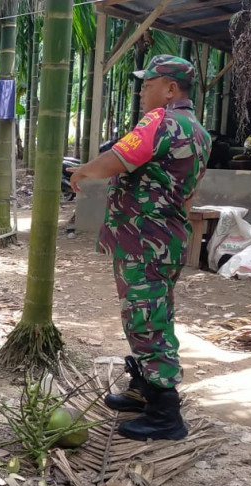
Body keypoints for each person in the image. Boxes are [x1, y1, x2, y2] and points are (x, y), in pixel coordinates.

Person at [67, 55, 211, 441]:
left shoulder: (160, 120)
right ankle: (144, 390)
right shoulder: (199, 131)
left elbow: (120, 157)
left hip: (144, 239)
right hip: (167, 238)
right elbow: (188, 193)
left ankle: (165, 413)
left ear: (170, 89)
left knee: (147, 320)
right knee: (150, 313)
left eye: (148, 84)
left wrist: (82, 172)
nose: (142, 90)